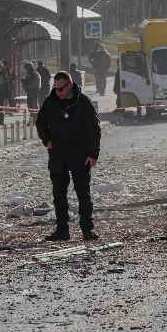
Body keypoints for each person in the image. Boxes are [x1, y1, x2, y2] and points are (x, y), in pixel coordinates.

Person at [36, 71, 101, 242]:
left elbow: (94, 130)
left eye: (61, 89)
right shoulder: (50, 102)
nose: (58, 92)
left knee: (83, 194)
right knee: (59, 195)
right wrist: (46, 140)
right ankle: (62, 230)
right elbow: (40, 122)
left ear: (70, 86)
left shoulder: (83, 102)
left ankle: (87, 230)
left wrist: (93, 154)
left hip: (79, 154)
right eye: (55, 88)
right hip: (57, 154)